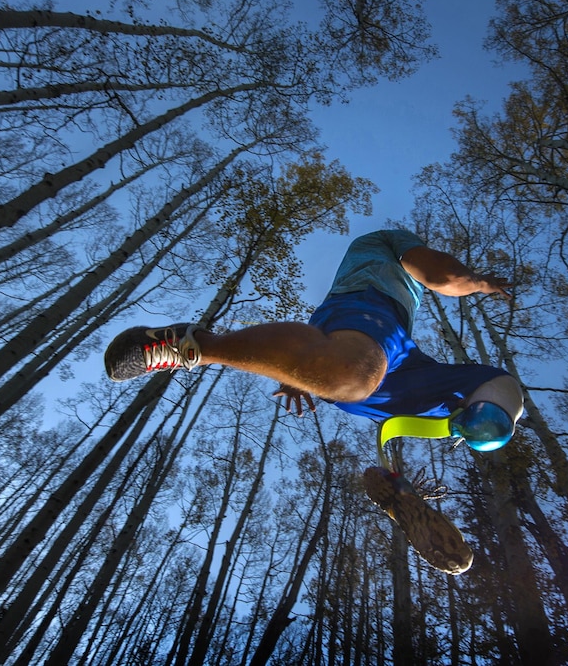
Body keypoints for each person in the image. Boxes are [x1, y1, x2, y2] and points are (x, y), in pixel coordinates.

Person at [105, 229, 524, 573]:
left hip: (390, 357)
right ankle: (192, 344)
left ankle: (420, 470)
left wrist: (302, 367)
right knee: (358, 373)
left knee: (490, 401)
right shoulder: (389, 241)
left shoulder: (381, 279)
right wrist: (483, 283)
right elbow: (442, 275)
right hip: (369, 314)